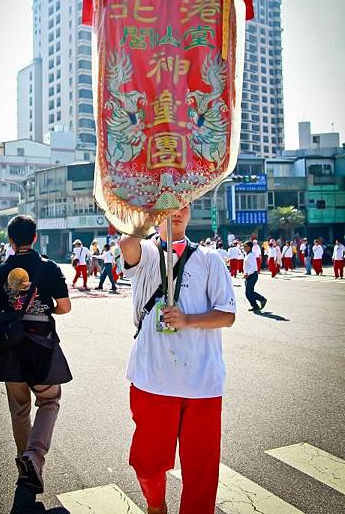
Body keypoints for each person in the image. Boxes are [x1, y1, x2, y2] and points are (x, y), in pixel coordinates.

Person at [120, 205, 236, 514]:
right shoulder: (146, 253)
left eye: (183, 204)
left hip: (203, 383)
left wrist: (187, 319)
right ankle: (156, 503)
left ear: (191, 211)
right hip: (152, 379)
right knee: (147, 464)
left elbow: (227, 315)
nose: (176, 211)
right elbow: (125, 246)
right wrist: (143, 214)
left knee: (201, 472)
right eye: (168, 205)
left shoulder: (210, 259)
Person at [0, 215, 72, 495]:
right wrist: (48, 310)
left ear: (10, 240)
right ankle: (34, 457)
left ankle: (26, 463)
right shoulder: (49, 268)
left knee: (19, 409)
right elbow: (65, 307)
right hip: (41, 344)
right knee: (49, 400)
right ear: (35, 238)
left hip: (10, 347)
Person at [243, 241, 267, 312]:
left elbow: (253, 267)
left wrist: (247, 273)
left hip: (252, 275)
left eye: (245, 246)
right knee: (248, 293)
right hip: (248, 275)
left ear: (249, 247)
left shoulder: (251, 255)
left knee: (249, 292)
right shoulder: (247, 255)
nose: (244, 248)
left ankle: (262, 299)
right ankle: (255, 306)